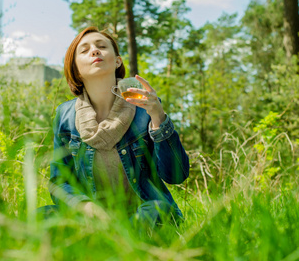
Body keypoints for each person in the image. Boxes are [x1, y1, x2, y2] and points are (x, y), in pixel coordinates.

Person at [38, 26, 189, 233]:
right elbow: (59, 182)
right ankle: (106, 237)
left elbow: (176, 175)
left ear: (117, 61)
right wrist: (86, 207)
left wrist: (159, 119)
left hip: (143, 212)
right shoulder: (65, 116)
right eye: (84, 50)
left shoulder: (145, 107)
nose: (95, 51)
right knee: (40, 216)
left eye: (101, 46)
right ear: (75, 69)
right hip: (93, 217)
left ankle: (108, 241)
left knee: (158, 210)